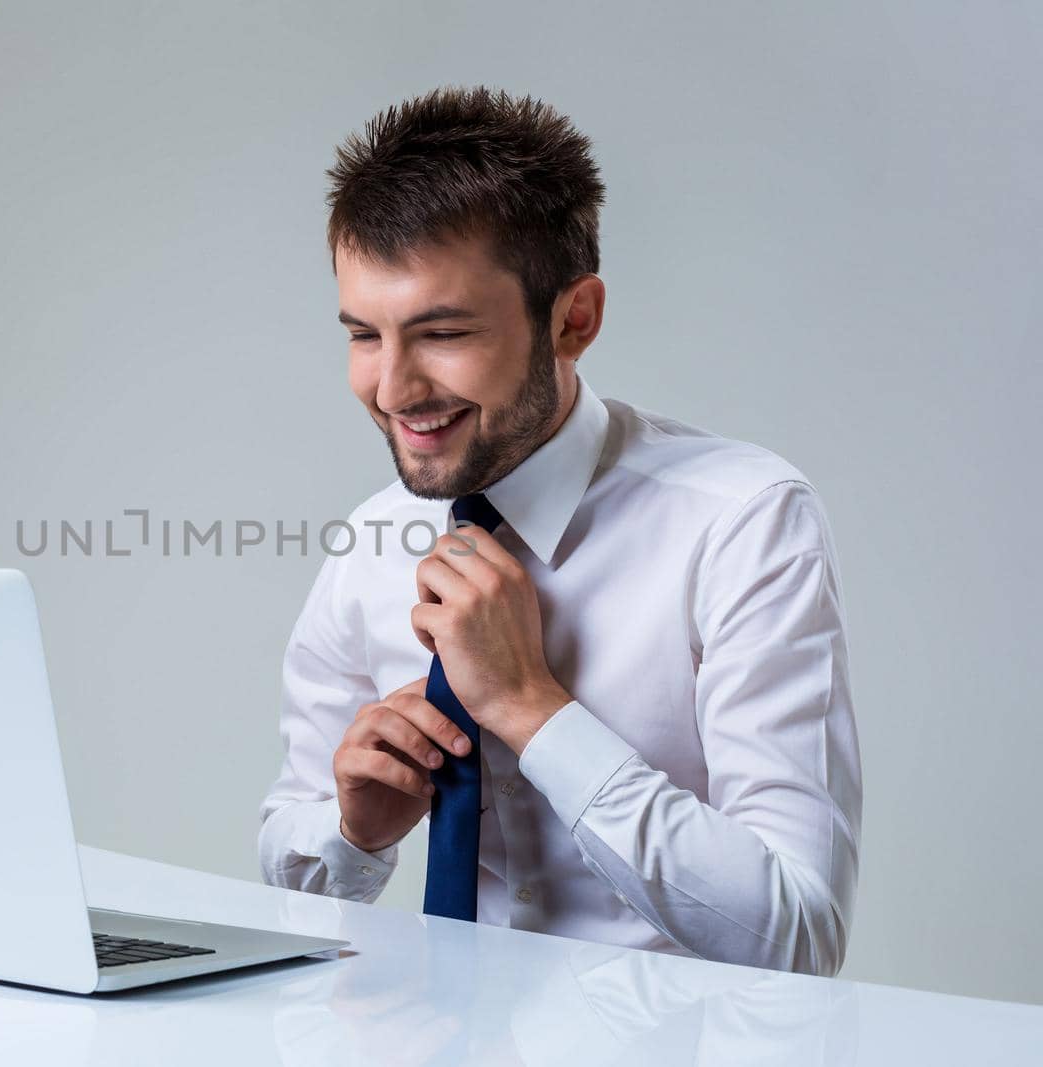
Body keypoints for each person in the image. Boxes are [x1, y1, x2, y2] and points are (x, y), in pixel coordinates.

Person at [257, 85, 862, 977]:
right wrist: (353, 831)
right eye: (363, 335)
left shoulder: (741, 521)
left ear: (573, 319)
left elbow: (799, 935)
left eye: (443, 332)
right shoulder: (374, 540)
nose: (392, 389)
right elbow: (285, 879)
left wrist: (530, 709)